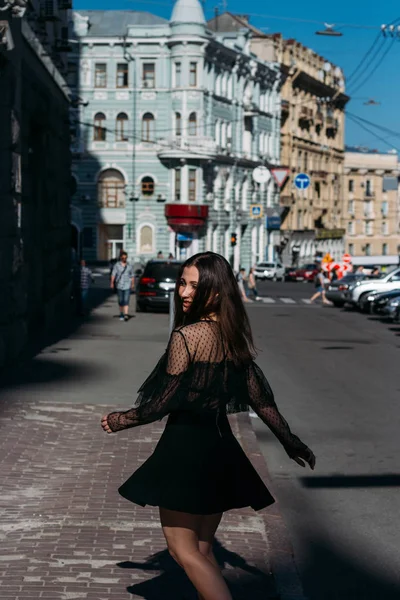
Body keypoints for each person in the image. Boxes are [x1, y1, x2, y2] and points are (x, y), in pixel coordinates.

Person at [101, 251, 315, 600]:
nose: (183, 292)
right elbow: (262, 400)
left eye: (193, 286)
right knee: (201, 551)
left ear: (215, 292)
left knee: (181, 552)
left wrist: (119, 420)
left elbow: (161, 403)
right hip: (220, 451)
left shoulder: (187, 336)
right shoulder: (232, 336)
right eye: (182, 283)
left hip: (184, 450)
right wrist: (291, 441)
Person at [110, 251, 135, 321]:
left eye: (125, 257)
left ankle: (126, 314)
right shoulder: (117, 265)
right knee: (121, 301)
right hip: (119, 285)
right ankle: (121, 313)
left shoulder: (129, 266)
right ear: (121, 258)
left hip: (127, 285)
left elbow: (132, 275)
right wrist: (112, 283)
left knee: (126, 300)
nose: (124, 259)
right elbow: (113, 274)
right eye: (123, 257)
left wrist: (132, 284)